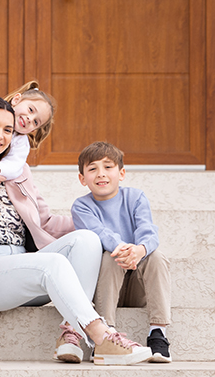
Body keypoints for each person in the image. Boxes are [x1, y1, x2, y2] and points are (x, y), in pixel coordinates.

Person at [0, 96, 154, 366]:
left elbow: (45, 222)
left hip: (26, 267)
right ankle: (101, 336)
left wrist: (97, 224)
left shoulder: (18, 172)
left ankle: (71, 334)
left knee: (87, 239)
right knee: (52, 263)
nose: (0, 135)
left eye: (8, 130)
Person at [70, 141, 173, 363]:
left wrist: (139, 250)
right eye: (92, 168)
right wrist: (122, 248)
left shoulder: (135, 198)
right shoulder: (81, 206)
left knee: (155, 255)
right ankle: (106, 334)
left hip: (137, 284)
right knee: (109, 255)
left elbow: (149, 231)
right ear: (82, 178)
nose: (101, 174)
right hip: (106, 286)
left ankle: (158, 332)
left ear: (122, 173)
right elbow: (99, 233)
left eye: (108, 167)